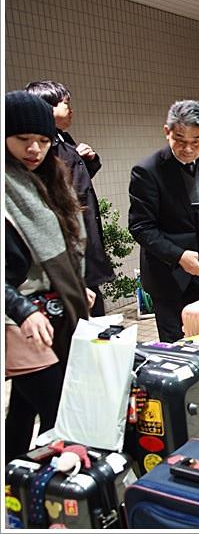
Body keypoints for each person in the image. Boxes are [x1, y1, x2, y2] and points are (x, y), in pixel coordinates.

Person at [4, 91, 93, 458]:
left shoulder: (49, 178)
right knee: (61, 408)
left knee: (25, 410)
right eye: (24, 140)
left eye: (42, 140)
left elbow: (69, 243)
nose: (34, 150)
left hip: (53, 312)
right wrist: (23, 310)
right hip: (16, 318)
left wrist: (76, 285)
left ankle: (14, 485)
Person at [128, 99, 199, 342]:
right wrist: (180, 257)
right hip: (167, 273)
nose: (189, 149)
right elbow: (141, 227)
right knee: (175, 344)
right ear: (167, 132)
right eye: (180, 141)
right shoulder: (146, 171)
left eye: (196, 142)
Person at [25, 81, 114, 316]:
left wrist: (90, 158)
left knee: (96, 318)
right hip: (70, 252)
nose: (70, 109)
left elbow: (78, 179)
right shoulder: (43, 152)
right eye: (66, 104)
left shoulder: (62, 138)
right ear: (47, 109)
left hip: (85, 240)